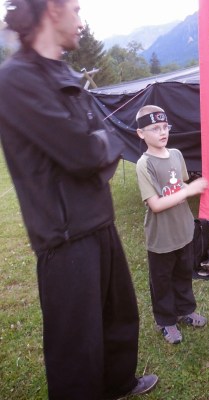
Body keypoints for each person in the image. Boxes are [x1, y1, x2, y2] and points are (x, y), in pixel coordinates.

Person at [0, 1, 157, 398]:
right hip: (65, 235)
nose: (81, 21)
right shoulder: (16, 80)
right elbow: (84, 152)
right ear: (52, 9)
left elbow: (102, 143)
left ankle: (119, 383)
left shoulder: (64, 73)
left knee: (119, 316)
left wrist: (96, 147)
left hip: (99, 218)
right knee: (76, 348)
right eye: (75, 8)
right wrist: (97, 147)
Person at [135, 105, 208, 344]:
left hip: (184, 230)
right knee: (162, 281)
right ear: (141, 133)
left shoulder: (176, 154)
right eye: (155, 128)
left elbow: (180, 184)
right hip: (162, 237)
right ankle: (166, 321)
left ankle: (185, 310)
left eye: (165, 127)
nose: (162, 132)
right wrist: (188, 191)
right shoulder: (144, 164)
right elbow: (156, 204)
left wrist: (192, 187)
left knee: (183, 274)